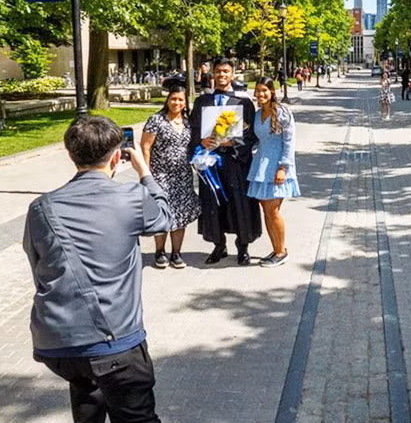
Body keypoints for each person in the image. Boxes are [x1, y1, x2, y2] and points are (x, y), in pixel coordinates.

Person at [24, 115, 172, 423]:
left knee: (88, 394)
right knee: (137, 417)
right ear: (118, 156)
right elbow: (165, 218)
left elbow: (37, 264)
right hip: (114, 342)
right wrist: (144, 172)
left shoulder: (41, 207)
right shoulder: (131, 197)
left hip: (58, 343)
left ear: (71, 155)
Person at [189, 58, 262, 265]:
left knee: (239, 203)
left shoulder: (243, 102)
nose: (222, 75)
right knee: (212, 203)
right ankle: (218, 245)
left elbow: (251, 134)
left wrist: (234, 143)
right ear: (213, 73)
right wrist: (201, 140)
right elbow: (193, 129)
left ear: (232, 74)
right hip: (210, 161)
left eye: (226, 72)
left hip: (235, 162)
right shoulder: (203, 101)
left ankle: (243, 247)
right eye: (219, 71)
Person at [140, 85, 201, 269]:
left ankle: (176, 252)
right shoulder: (156, 120)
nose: (177, 103)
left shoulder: (188, 122)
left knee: (180, 214)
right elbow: (145, 147)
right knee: (162, 213)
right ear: (168, 100)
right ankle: (160, 252)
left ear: (185, 103)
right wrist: (146, 173)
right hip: (160, 175)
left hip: (182, 175)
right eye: (173, 99)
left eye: (180, 100)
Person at [248, 77, 301, 267]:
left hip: (278, 166)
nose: (260, 94)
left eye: (264, 90)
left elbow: (289, 142)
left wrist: (283, 167)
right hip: (261, 165)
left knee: (273, 210)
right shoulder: (257, 114)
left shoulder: (282, 112)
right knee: (267, 211)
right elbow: (256, 139)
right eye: (257, 90)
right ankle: (276, 248)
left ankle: (281, 252)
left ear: (272, 91)